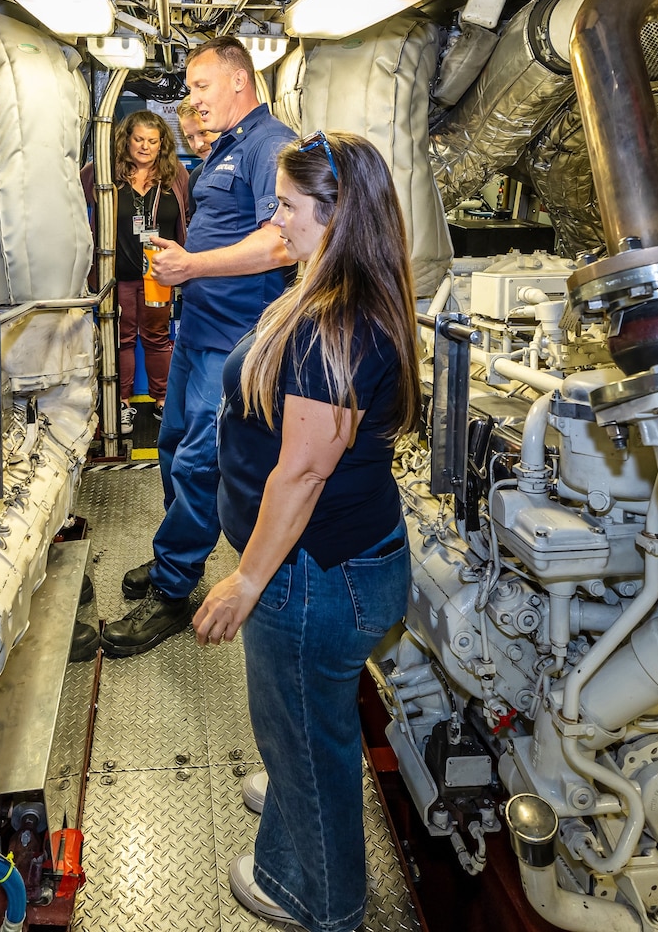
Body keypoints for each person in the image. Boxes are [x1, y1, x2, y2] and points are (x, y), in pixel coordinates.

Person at [193, 131, 421, 932]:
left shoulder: (339, 327)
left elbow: (301, 473)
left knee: (305, 734)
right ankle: (295, 797)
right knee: (304, 723)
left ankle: (323, 899)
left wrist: (246, 581)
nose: (274, 216)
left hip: (313, 575)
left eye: (288, 205)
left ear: (335, 216)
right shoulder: (320, 294)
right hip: (327, 567)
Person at [100, 36, 296, 656]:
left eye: (201, 86)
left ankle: (173, 586)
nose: (193, 98)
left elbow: (283, 243)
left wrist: (194, 264)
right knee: (171, 443)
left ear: (240, 82)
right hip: (196, 331)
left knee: (198, 463)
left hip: (233, 344)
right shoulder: (225, 149)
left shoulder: (271, 146)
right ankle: (173, 561)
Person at [111, 110, 189, 432]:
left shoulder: (177, 176)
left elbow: (192, 216)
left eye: (152, 141)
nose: (145, 147)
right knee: (122, 338)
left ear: (162, 145)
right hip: (119, 275)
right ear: (127, 141)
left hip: (160, 275)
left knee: (157, 338)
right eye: (138, 139)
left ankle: (162, 400)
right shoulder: (107, 174)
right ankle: (123, 403)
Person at [175, 96, 220, 222]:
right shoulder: (196, 177)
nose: (198, 145)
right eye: (190, 137)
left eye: (203, 132)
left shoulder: (247, 165)